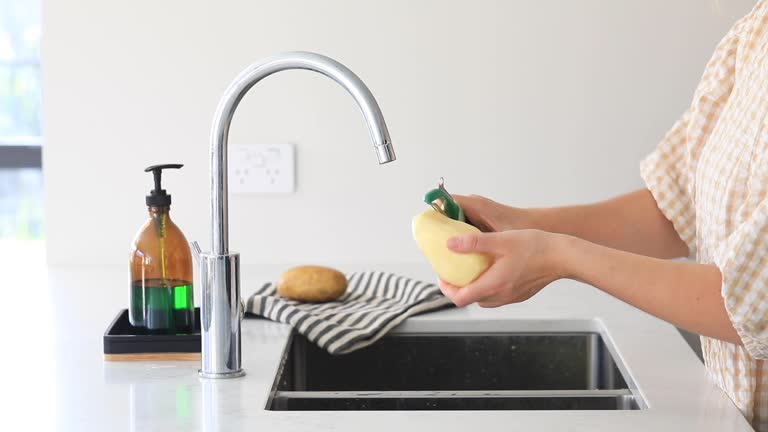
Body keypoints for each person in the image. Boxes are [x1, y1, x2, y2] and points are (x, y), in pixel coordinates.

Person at [437, 1, 768, 429]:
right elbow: (674, 208)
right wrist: (521, 224)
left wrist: (560, 257)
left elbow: (746, 308)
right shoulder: (757, 30)